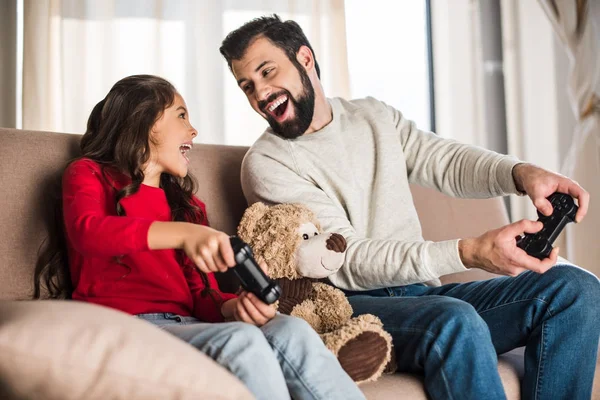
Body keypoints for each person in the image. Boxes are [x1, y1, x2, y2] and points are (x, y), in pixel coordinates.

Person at [220, 15, 600, 400]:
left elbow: (445, 161)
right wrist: (468, 252)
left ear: (304, 57)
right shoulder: (267, 164)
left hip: (422, 295)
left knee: (577, 289)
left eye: (268, 72)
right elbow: (346, 258)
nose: (260, 94)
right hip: (353, 307)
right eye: (247, 86)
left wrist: (522, 174)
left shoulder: (372, 116)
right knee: (454, 320)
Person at [33, 74, 365, 400]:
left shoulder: (187, 206)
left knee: (291, 329)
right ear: (146, 120)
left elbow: (199, 295)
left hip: (188, 323)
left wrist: (233, 308)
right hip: (126, 326)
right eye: (181, 115)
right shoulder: (88, 173)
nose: (193, 130)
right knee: (241, 342)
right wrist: (183, 234)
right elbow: (88, 233)